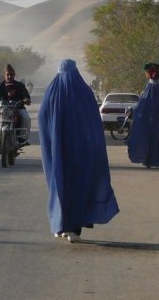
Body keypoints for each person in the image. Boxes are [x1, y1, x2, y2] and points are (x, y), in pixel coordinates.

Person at [38, 59, 119, 243]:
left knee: (60, 186)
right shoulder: (84, 91)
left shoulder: (52, 91)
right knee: (79, 187)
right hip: (81, 154)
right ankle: (72, 229)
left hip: (59, 153)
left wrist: (51, 141)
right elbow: (94, 122)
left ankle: (61, 225)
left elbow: (43, 117)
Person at [0, 64, 32, 144]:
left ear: (14, 75)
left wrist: (26, 99)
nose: (10, 76)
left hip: (18, 108)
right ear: (4, 75)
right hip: (2, 109)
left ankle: (22, 137)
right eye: (8, 74)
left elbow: (25, 94)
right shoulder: (0, 86)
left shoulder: (20, 85)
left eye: (11, 74)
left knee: (26, 117)